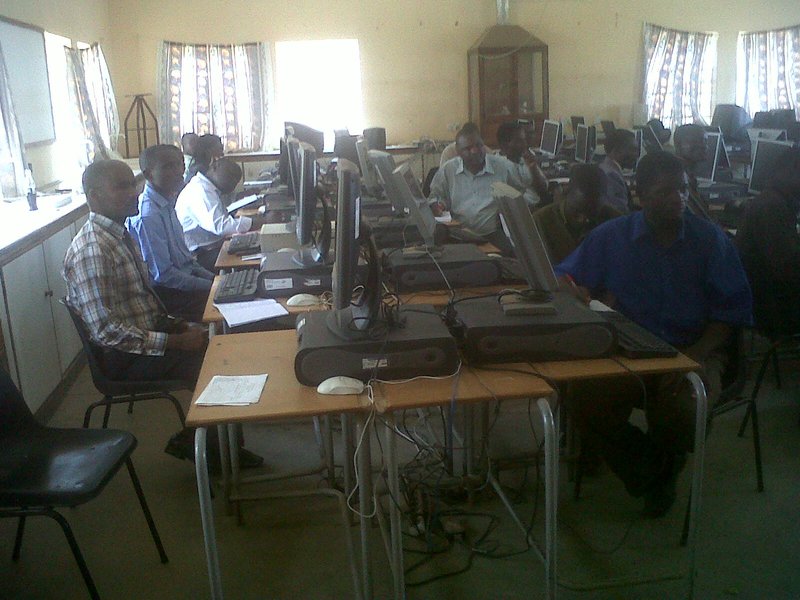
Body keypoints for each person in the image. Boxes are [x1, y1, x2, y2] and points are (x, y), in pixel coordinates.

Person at [555, 151, 752, 517]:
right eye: (665, 192)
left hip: (694, 346)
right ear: (639, 195)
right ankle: (652, 469)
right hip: (630, 348)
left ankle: (663, 464)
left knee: (682, 413)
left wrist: (694, 357)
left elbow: (731, 313)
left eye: (683, 188)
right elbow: (564, 276)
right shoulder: (612, 236)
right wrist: (572, 289)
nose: (678, 198)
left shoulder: (709, 240)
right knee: (581, 396)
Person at [64, 159, 262, 467]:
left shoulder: (119, 236)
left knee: (220, 346)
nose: (133, 192)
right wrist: (176, 341)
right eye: (121, 187)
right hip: (122, 357)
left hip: (143, 336)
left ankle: (212, 443)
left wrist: (177, 326)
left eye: (133, 184)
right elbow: (106, 332)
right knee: (212, 362)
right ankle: (212, 452)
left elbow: (142, 305)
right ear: (94, 196)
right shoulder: (93, 249)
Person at [127, 144, 214, 322]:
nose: (178, 171)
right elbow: (164, 276)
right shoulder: (149, 215)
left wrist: (215, 280)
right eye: (168, 166)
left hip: (184, 280)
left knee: (235, 290)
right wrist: (213, 286)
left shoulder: (167, 202)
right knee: (232, 302)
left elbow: (187, 262)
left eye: (180, 164)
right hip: (168, 295)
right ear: (148, 175)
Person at [428, 123, 526, 254]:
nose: (475, 151)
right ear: (458, 151)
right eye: (468, 148)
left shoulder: (504, 167)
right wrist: (438, 205)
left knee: (509, 258)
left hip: (492, 233)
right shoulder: (448, 169)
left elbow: (520, 194)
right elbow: (435, 196)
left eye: (479, 145)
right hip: (459, 233)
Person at [735, 148, 800, 336]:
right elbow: (788, 270)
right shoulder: (773, 207)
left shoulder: (772, 200)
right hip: (773, 307)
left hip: (765, 297)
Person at [176, 157, 263, 271]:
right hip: (199, 256)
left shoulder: (210, 188)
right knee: (256, 262)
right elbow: (221, 226)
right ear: (214, 167)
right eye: (230, 176)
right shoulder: (201, 190)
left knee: (259, 247)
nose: (232, 183)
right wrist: (260, 222)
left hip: (211, 247)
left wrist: (254, 220)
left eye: (236, 181)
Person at [532, 163, 621, 264]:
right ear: (566, 192)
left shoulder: (616, 222)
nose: (584, 220)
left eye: (592, 214)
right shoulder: (540, 222)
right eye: (577, 212)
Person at [496, 120, 550, 206]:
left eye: (524, 140)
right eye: (519, 141)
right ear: (504, 145)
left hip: (539, 205)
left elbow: (543, 189)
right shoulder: (498, 167)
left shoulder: (524, 158)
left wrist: (533, 168)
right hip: (526, 210)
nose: (525, 144)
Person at [673, 124, 712, 220]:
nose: (703, 146)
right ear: (678, 145)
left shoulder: (689, 173)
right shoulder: (676, 176)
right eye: (695, 142)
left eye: (705, 141)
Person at [598, 128, 638, 213]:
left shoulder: (605, 167)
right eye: (632, 150)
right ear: (616, 150)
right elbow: (621, 212)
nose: (636, 155)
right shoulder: (612, 176)